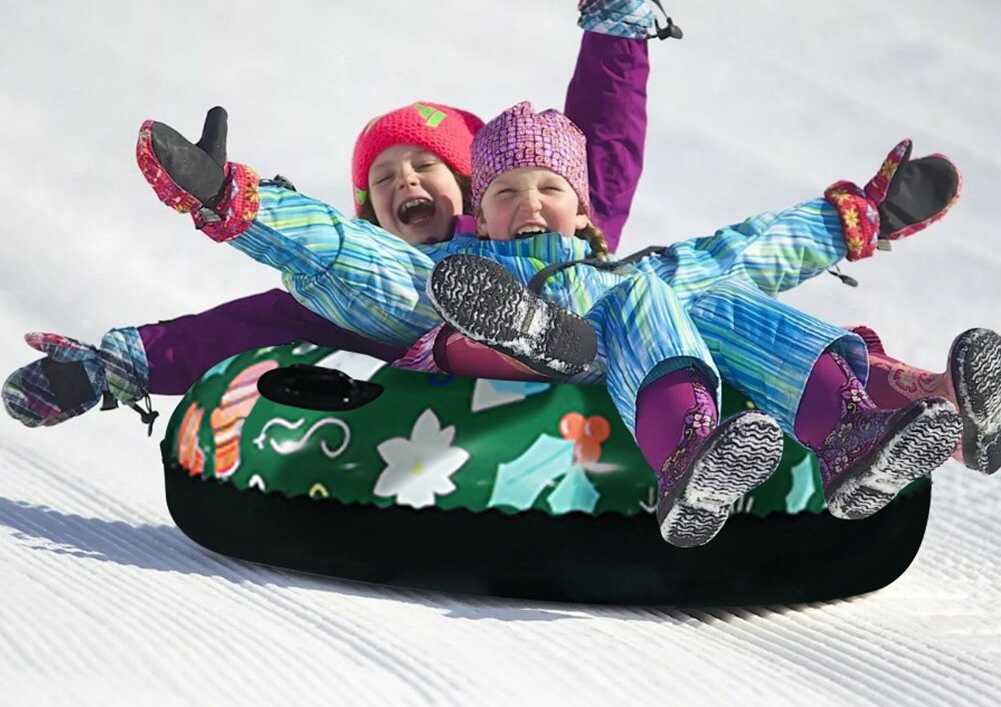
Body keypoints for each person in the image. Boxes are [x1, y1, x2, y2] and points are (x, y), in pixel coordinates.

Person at [121, 93, 974, 545]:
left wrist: (853, 218)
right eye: (506, 192)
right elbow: (349, 257)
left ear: (582, 209)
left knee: (710, 294)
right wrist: (235, 199)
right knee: (447, 291)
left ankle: (852, 433)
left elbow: (742, 249)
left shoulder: (622, 269)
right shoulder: (444, 267)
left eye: (548, 189)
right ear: (478, 212)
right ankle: (599, 392)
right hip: (467, 341)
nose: (527, 203)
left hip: (614, 340)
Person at [2, 0, 682, 429]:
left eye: (426, 167)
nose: (404, 181)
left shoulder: (545, 229)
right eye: (383, 179)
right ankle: (238, 203)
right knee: (362, 281)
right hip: (440, 411)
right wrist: (106, 367)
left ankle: (699, 418)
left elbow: (601, 143)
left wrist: (621, 8)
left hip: (578, 377)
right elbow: (237, 329)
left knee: (609, 240)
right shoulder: (363, 285)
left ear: (479, 192)